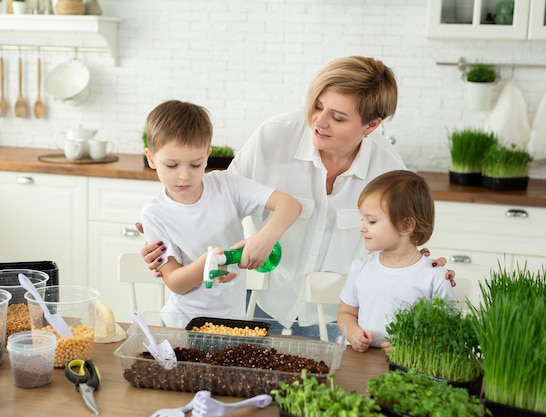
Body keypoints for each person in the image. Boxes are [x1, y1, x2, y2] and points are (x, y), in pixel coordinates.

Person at [139, 56, 454, 333]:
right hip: (261, 304)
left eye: (338, 117)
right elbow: (213, 199)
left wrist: (424, 269)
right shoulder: (272, 137)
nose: (319, 120)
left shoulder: (388, 170)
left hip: (338, 317)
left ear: (371, 126)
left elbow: (403, 241)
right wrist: (168, 226)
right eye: (318, 105)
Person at [140, 100, 301, 327]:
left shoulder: (226, 186)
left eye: (195, 165)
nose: (184, 176)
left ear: (207, 154)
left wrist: (265, 238)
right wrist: (209, 262)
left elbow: (290, 205)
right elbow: (175, 282)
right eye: (172, 165)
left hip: (232, 321)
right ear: (151, 158)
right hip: (182, 324)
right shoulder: (154, 213)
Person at [337, 170, 456, 353]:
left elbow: (449, 331)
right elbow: (346, 313)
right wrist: (353, 333)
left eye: (372, 221)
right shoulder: (360, 267)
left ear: (406, 225)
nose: (361, 227)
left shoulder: (434, 276)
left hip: (412, 368)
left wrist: (412, 348)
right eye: (363, 219)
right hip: (363, 361)